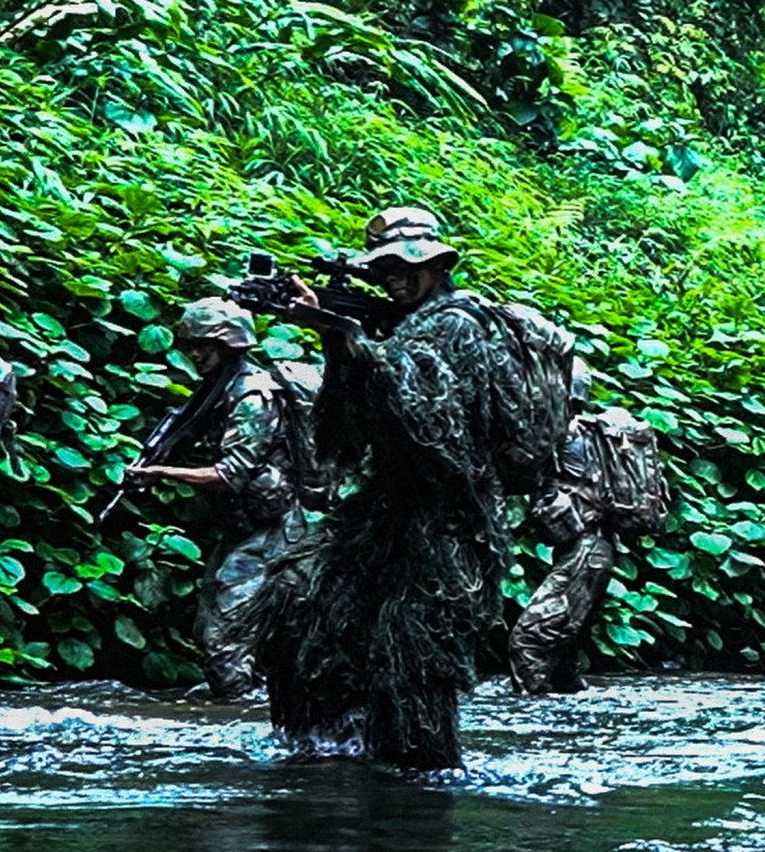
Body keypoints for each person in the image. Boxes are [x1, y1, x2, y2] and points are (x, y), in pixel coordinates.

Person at [254, 206, 556, 768]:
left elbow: (432, 426)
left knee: (414, 657)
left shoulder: (460, 323)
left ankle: (422, 781)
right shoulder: (396, 327)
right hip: (387, 509)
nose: (394, 276)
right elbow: (346, 435)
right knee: (300, 602)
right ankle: (331, 747)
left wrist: (350, 342)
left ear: (439, 264)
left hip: (448, 518)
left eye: (405, 265)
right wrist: (339, 342)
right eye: (384, 267)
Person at [123, 296, 323, 708]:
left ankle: (238, 717)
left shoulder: (252, 396)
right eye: (191, 345)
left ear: (230, 345)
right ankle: (259, 706)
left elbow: (231, 474)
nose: (195, 354)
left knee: (222, 638)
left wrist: (161, 474)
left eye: (205, 345)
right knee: (219, 628)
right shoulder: (216, 392)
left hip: (279, 528)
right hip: (249, 525)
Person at [511, 382, 671, 695]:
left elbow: (521, 464)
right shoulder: (585, 434)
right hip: (592, 548)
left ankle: (529, 713)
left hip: (586, 548)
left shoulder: (565, 435)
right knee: (562, 647)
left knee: (529, 640)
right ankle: (565, 705)